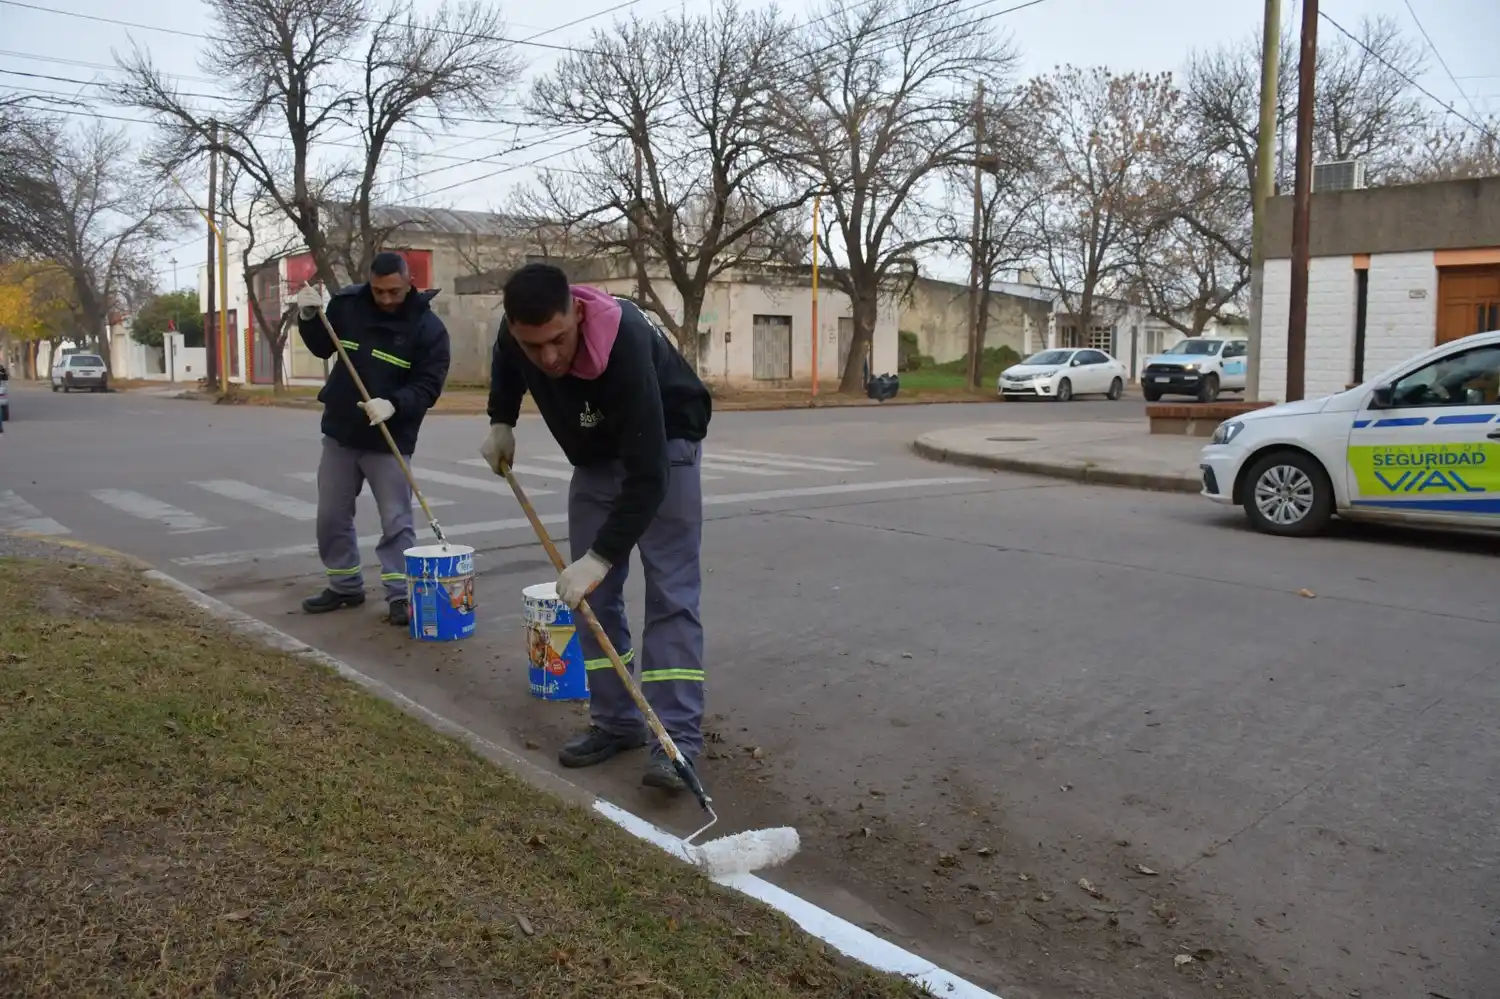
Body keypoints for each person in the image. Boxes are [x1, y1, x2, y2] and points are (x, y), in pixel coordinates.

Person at [481, 263, 712, 791]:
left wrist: (601, 556)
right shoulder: (518, 333)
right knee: (585, 598)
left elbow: (649, 477)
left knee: (671, 593)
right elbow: (506, 361)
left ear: (577, 312)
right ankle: (617, 722)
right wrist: (501, 420)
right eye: (533, 345)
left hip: (665, 448)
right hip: (595, 458)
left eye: (559, 339)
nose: (550, 357)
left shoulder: (624, 340)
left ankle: (673, 742)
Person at [294, 252, 451, 627]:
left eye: (393, 291)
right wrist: (309, 317)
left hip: (389, 436)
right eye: (379, 291)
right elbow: (322, 346)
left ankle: (400, 595)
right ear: (370, 282)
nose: (385, 299)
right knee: (331, 516)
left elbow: (428, 386)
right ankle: (345, 585)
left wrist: (394, 405)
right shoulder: (349, 305)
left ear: (408, 281)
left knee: (396, 520)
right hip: (342, 431)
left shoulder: (428, 329)